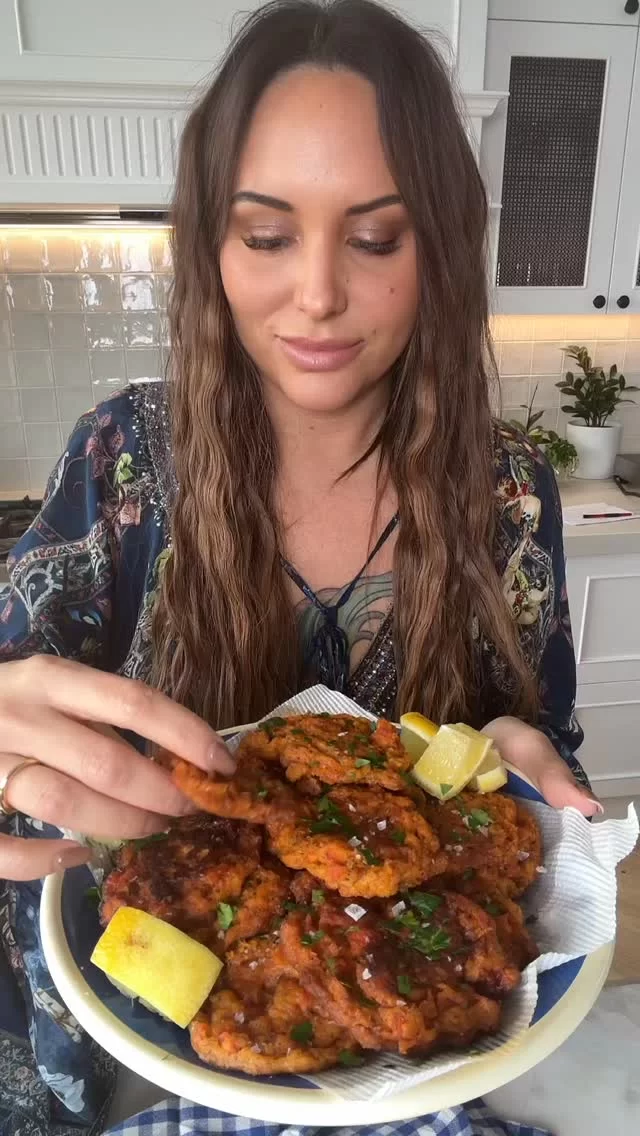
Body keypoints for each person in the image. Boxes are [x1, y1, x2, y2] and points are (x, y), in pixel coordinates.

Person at [0, 1, 599, 1133]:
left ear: (439, 247)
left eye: (376, 238)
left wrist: (524, 764)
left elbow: (535, 750)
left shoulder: (507, 489)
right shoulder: (122, 457)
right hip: (125, 1039)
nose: (317, 292)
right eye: (267, 235)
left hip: (402, 1063)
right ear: (211, 246)